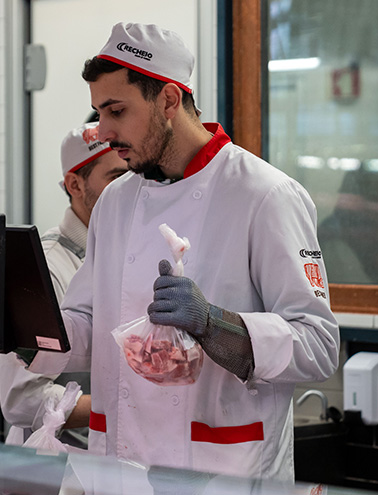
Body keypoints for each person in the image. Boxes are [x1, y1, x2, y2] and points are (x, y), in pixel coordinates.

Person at [23, 23, 339, 481]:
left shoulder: (265, 195)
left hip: (221, 471)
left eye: (116, 110)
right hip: (119, 469)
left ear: (169, 100)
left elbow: (319, 345)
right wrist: (24, 327)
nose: (103, 131)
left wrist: (214, 324)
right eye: (98, 113)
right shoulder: (115, 201)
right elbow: (91, 325)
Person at [0, 121, 129, 448]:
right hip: (56, 464)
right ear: (75, 184)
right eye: (115, 178)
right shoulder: (46, 268)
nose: (129, 189)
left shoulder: (128, 254)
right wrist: (123, 407)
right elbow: (20, 398)